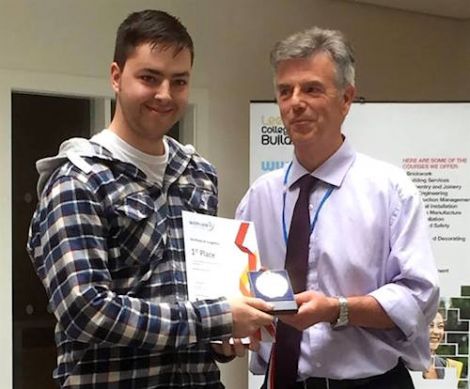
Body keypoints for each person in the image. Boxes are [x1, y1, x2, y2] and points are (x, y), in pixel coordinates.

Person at [27, 9, 273, 389]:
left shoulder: (198, 175)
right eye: (149, 78)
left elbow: (196, 297)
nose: (165, 94)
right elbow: (86, 310)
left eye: (179, 81)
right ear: (115, 76)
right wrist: (216, 318)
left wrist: (221, 340)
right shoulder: (78, 178)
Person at [236, 26, 439, 389]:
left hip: (368, 383)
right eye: (285, 91)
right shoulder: (260, 197)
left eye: (312, 89)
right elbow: (239, 290)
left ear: (346, 99)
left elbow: (419, 297)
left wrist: (338, 309)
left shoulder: (390, 191)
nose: (295, 102)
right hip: (281, 380)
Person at [423, 311, 463, 379]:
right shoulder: (402, 366)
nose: (436, 332)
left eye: (440, 326)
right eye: (430, 325)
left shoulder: (450, 367)